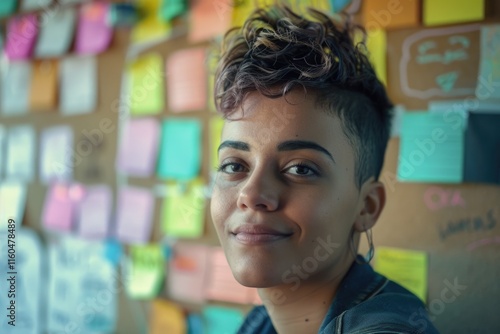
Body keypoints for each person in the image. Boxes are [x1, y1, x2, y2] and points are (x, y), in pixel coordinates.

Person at [210, 3, 439, 333]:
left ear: (366, 206)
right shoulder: (259, 323)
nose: (252, 193)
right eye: (234, 165)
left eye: (300, 169)